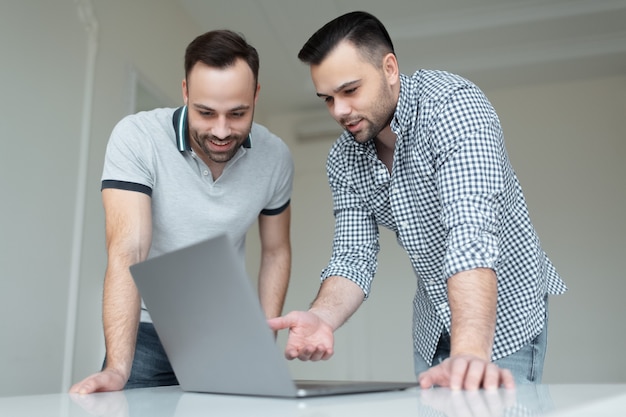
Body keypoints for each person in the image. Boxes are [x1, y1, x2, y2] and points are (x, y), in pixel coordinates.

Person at [268, 11, 566, 391]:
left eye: (350, 90)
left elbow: (470, 234)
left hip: (503, 318)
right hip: (432, 324)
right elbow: (352, 255)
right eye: (327, 98)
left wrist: (470, 353)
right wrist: (321, 317)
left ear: (389, 68)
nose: (338, 111)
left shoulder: (453, 107)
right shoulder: (344, 158)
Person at [70, 30, 294, 394]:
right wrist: (117, 368)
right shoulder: (137, 138)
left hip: (224, 336)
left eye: (238, 113)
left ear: (255, 95)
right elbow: (129, 251)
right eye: (206, 112)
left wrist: (261, 344)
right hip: (143, 333)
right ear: (186, 92)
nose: (221, 131)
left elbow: (276, 251)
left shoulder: (276, 157)